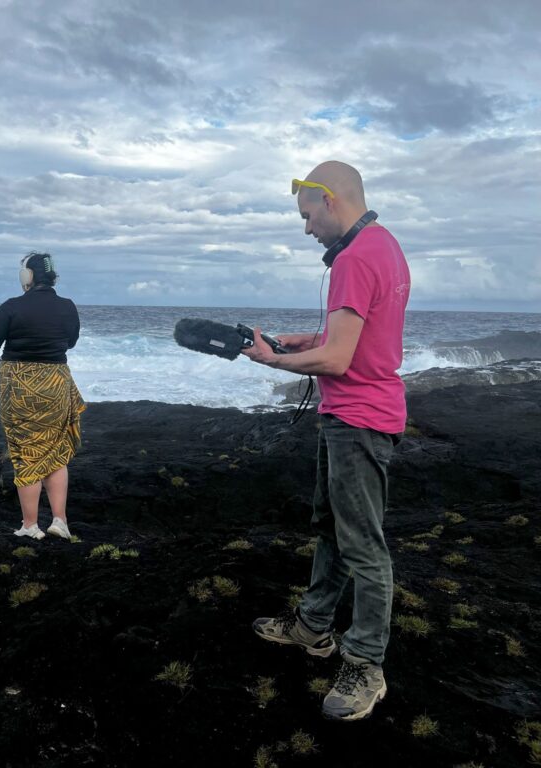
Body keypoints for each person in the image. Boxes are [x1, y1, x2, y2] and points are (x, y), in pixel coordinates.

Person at [243, 161, 411, 721]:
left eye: (307, 214)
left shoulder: (355, 259)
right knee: (331, 528)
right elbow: (356, 340)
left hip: (359, 420)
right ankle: (313, 627)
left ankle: (365, 663)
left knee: (363, 544)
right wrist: (306, 338)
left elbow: (338, 360)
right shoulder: (384, 245)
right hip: (354, 414)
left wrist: (277, 357)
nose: (306, 227)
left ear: (331, 200)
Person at [0, 252, 85, 541]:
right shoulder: (68, 307)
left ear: (27, 276)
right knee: (55, 450)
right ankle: (60, 521)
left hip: (20, 388)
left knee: (26, 451)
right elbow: (71, 342)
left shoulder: (12, 307)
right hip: (56, 384)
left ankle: (30, 525)